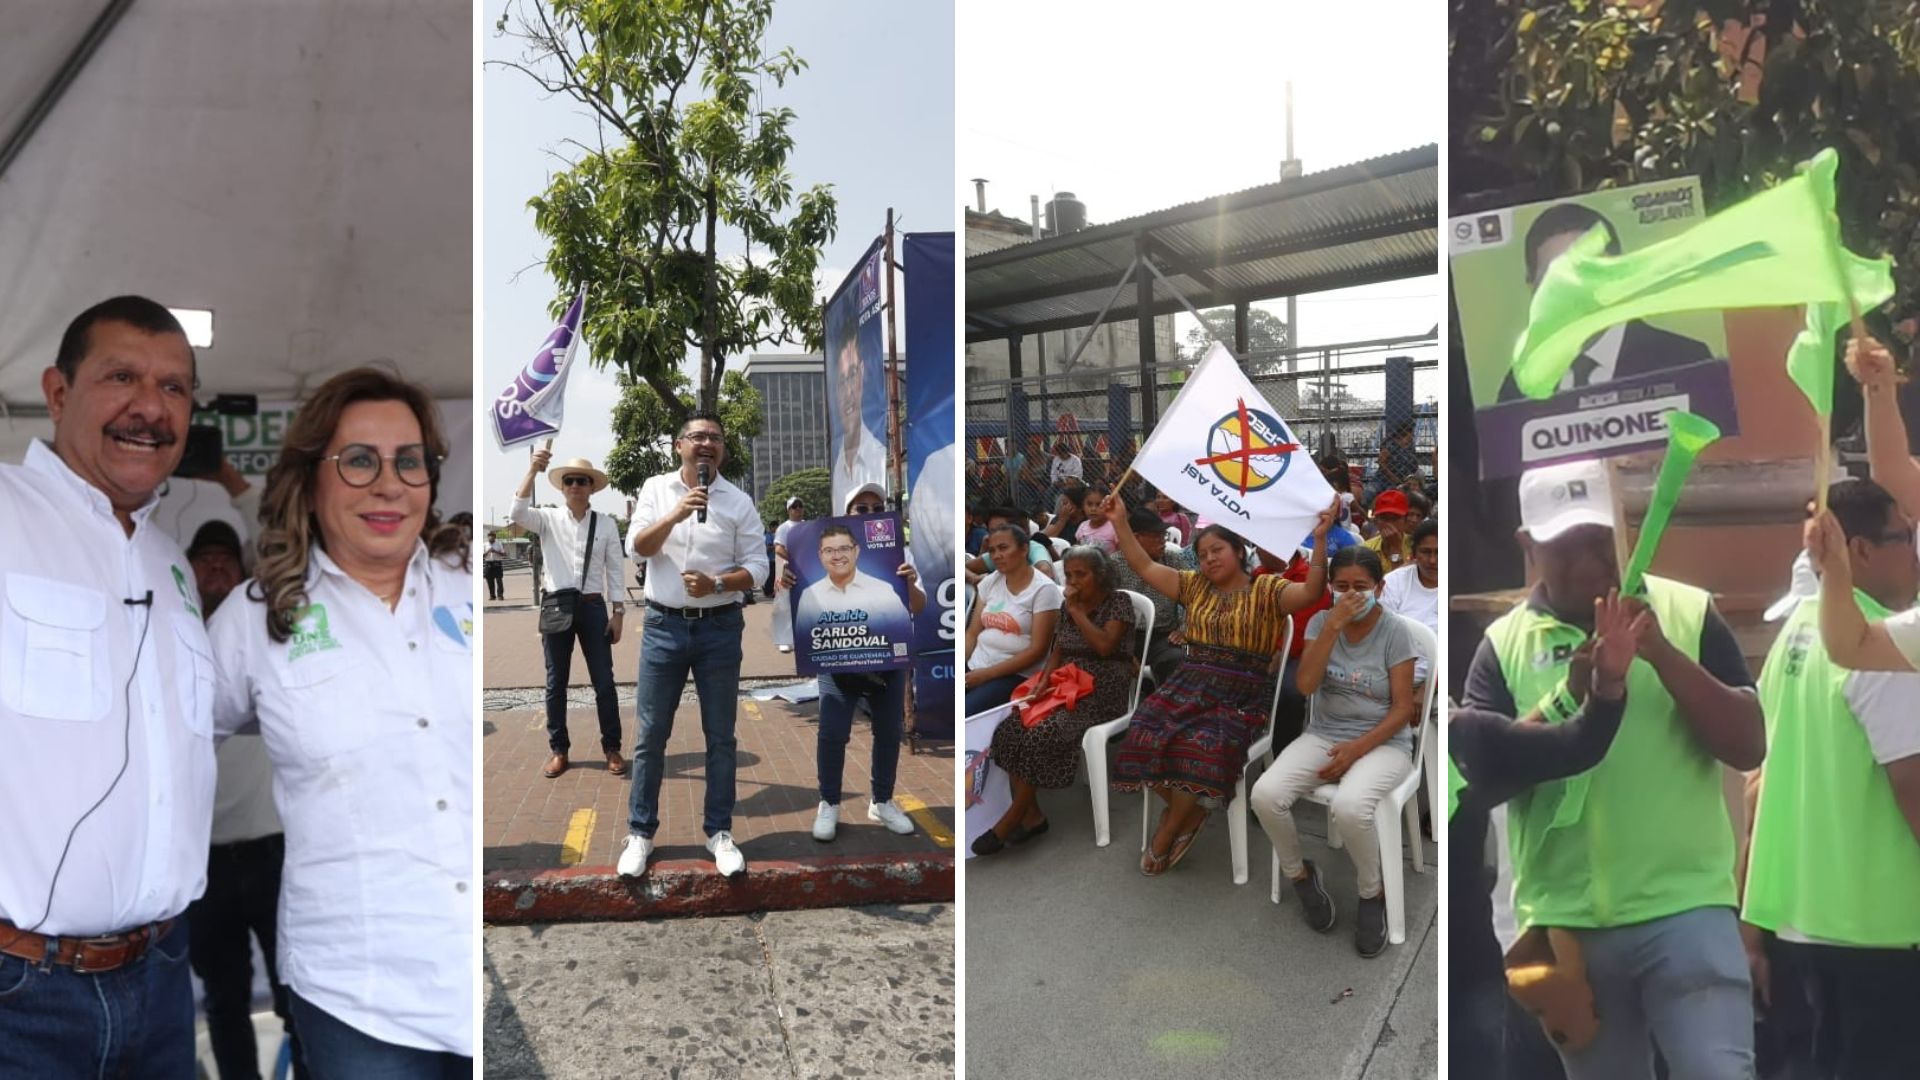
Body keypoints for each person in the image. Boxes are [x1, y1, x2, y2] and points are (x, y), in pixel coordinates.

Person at [206, 366, 472, 1076]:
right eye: (358, 460)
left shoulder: (469, 589)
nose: (388, 484)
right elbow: (170, 751)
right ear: (310, 476)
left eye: (408, 461)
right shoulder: (259, 620)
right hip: (360, 999)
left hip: (477, 973)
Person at [1461, 456, 1764, 1080]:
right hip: (1566, 923)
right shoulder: (1504, 644)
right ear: (1527, 545)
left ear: (1625, 530)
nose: (1589, 563)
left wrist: (1661, 653)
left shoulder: (1687, 611)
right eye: (1564, 546)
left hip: (1686, 909)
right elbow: (1485, 774)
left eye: (1600, 541)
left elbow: (1748, 745)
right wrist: (1570, 699)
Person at [0, 297, 217, 1076]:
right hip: (20, 996)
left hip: (160, 982)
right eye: (122, 376)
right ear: (58, 392)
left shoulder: (169, 559)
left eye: (174, 388)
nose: (150, 409)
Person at [1741, 480, 1920, 1076]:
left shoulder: (1793, 636)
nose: (1916, 552)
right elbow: (1913, 788)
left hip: (1802, 924)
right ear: (1860, 551)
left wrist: (1753, 924)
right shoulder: (1884, 650)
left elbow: (1756, 786)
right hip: (1885, 935)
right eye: (1906, 537)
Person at [1448, 592, 1639, 1080]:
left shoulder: (1457, 732)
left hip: (1479, 971)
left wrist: (1601, 688)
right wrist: (1578, 695)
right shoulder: (1466, 731)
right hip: (1488, 961)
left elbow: (1567, 746)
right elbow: (1520, 756)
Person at [1107, 491, 1336, 875]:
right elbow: (1143, 565)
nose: (1210, 558)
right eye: (1204, 552)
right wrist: (1119, 522)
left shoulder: (1267, 590)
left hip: (1242, 691)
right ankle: (1193, 812)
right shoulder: (1192, 585)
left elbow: (1313, 592)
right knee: (1142, 734)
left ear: (1239, 551)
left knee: (1205, 747)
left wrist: (1321, 541)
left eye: (1218, 549)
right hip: (1189, 681)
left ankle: (1170, 828)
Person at [1250, 546, 1420, 956]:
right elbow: (1305, 686)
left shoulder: (1397, 631)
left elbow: (1402, 710)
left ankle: (1372, 892)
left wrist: (1357, 749)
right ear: (1330, 588)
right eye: (1341, 586)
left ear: (1380, 587)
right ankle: (1301, 875)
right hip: (1325, 733)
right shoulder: (1324, 622)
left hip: (1384, 741)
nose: (1351, 595)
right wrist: (1330, 630)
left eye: (1361, 587)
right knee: (1265, 795)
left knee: (1350, 807)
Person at [619, 413, 768, 879]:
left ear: (722, 449)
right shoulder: (655, 489)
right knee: (649, 736)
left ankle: (719, 832)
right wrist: (677, 512)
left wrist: (718, 582)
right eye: (698, 436)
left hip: (720, 629)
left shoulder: (738, 501)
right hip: (663, 627)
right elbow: (637, 547)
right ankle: (640, 833)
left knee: (720, 736)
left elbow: (759, 569)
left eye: (716, 438)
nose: (707, 443)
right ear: (678, 444)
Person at [185, 520, 307, 1080]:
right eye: (202, 558)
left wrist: (231, 480)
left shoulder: (266, 633)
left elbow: (283, 527)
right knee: (225, 1002)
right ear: (185, 571)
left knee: (295, 997)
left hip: (274, 852)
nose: (213, 566)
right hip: (203, 863)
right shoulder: (172, 638)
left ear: (245, 570)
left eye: (224, 559)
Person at [973, 545, 1137, 856]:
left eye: (1081, 575)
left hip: (1103, 688)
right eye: (1070, 574)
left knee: (1042, 731)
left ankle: (1010, 820)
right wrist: (1043, 683)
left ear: (1099, 576)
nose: (1074, 581)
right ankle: (1033, 815)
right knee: (1011, 728)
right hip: (1066, 682)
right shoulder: (1069, 605)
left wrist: (1076, 611)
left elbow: (1104, 647)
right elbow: (1058, 649)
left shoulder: (1119, 602)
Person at [786, 485, 923, 841]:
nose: (869, 512)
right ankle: (829, 803)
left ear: (857, 550)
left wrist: (909, 585)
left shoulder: (896, 560)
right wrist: (786, 583)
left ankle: (882, 801)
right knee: (832, 733)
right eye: (860, 508)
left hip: (887, 665)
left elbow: (918, 608)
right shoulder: (811, 588)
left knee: (889, 733)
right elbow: (800, 631)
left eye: (876, 506)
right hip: (836, 666)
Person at [1495, 204, 1713, 403]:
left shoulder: (1686, 362)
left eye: (1590, 273)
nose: (1574, 295)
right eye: (1554, 282)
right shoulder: (1518, 388)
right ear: (1532, 288)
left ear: (1619, 274)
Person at [512, 452, 628, 780]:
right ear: (562, 488)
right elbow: (516, 511)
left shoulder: (605, 524)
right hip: (557, 607)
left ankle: (612, 747)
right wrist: (533, 468)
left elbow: (616, 571)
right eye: (570, 481)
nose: (576, 485)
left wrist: (618, 612)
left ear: (592, 488)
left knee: (604, 682)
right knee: (555, 683)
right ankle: (559, 749)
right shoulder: (547, 519)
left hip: (593, 607)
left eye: (582, 481)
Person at [964, 522, 1063, 715]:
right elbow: (972, 633)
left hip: (1016, 674)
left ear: (1024, 549)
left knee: (964, 713)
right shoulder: (992, 581)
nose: (996, 556)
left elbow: (1038, 650)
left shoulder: (1044, 589)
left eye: (1003, 548)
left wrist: (985, 675)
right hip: (977, 665)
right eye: (992, 550)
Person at [828, 305, 886, 510]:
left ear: (862, 373)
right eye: (842, 381)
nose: (848, 392)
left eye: (852, 375)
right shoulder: (837, 469)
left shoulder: (880, 455)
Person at [1380, 517, 1439, 637]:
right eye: (1426, 552)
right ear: (1414, 554)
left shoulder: (1462, 585)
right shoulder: (1393, 582)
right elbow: (1385, 632)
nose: (1433, 560)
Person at [965, 507, 1054, 584]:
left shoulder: (1034, 548)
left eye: (1002, 529)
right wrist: (975, 579)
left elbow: (1045, 572)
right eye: (992, 531)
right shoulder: (997, 555)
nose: (996, 535)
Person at [1362, 488, 1412, 571]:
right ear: (1376, 521)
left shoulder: (1415, 547)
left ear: (1405, 520)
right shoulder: (1366, 549)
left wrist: (1396, 549)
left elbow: (1403, 582)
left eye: (1395, 518)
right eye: (1384, 518)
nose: (1390, 524)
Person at [1073, 484, 1118, 553]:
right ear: (1083, 505)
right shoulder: (1082, 526)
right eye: (1089, 504)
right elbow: (1078, 550)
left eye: (1099, 504)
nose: (1093, 509)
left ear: (1108, 505)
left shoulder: (1114, 528)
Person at [482, 530, 507, 601]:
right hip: (488, 564)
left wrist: (495, 551)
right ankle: (492, 596)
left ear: (495, 537)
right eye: (489, 536)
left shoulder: (499, 544)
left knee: (499, 580)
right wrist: (488, 551)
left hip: (497, 564)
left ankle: (500, 595)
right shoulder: (485, 544)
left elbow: (504, 554)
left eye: (492, 536)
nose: (491, 537)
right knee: (490, 581)